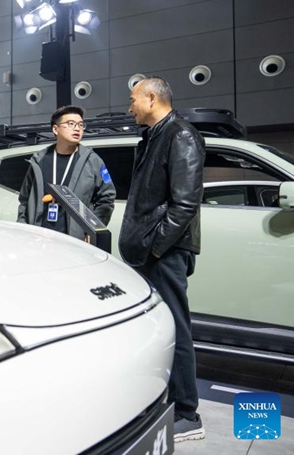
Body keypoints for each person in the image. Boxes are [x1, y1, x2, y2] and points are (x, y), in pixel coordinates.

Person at [120, 77, 206, 443]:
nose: (130, 106)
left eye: (133, 99)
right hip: (152, 250)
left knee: (177, 329)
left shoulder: (180, 135)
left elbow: (185, 202)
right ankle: (167, 400)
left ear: (152, 98)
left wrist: (155, 247)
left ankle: (188, 413)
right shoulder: (155, 136)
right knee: (160, 328)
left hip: (165, 252)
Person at [17, 105, 115, 241]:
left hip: (74, 240)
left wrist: (93, 229)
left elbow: (107, 199)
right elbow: (24, 199)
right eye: (70, 124)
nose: (77, 128)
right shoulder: (39, 160)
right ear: (55, 129)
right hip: (38, 237)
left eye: (81, 125)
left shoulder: (93, 161)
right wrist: (24, 228)